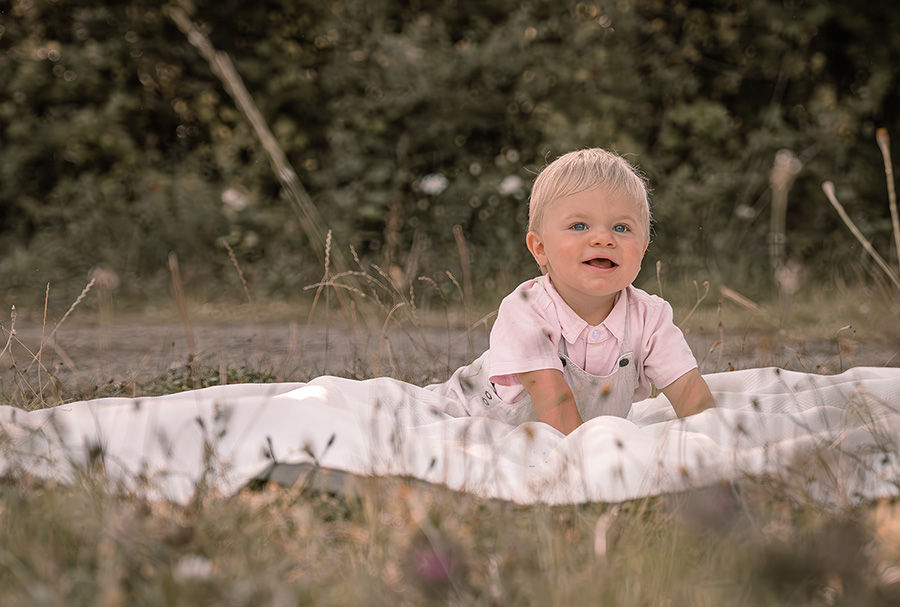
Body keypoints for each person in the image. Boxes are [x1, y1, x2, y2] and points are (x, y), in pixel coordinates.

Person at [429, 148, 716, 434]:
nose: (603, 238)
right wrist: (588, 462)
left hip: (578, 436)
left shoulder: (650, 318)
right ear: (540, 249)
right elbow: (556, 403)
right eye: (579, 226)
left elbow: (693, 398)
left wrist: (714, 439)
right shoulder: (526, 308)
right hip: (473, 421)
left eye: (621, 227)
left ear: (642, 249)